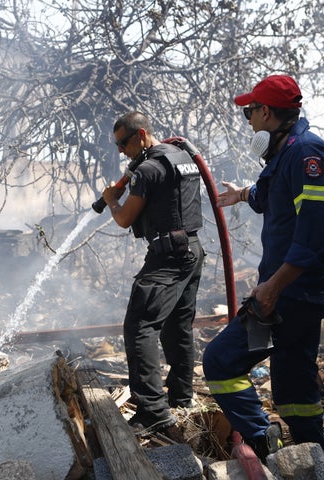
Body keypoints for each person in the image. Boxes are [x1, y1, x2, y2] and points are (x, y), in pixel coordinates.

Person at [203, 75, 324, 459]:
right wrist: (242, 194)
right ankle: (313, 455)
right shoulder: (289, 152)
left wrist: (273, 287)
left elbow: (317, 235)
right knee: (293, 378)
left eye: (250, 111)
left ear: (266, 111)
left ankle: (268, 448)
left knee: (220, 362)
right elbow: (274, 192)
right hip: (299, 289)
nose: (248, 120)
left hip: (294, 290)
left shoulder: (307, 155)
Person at [101, 111, 204, 436]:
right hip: (192, 250)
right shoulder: (182, 156)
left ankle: (153, 410)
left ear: (141, 134)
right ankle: (181, 399)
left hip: (167, 256)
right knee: (178, 327)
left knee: (140, 326)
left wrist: (111, 201)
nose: (120, 151)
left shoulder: (147, 169)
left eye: (123, 143)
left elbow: (125, 219)